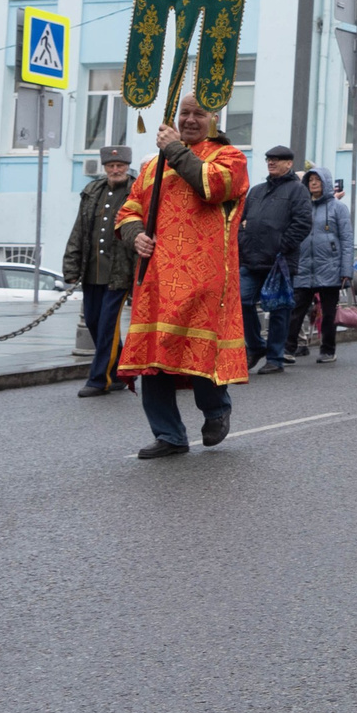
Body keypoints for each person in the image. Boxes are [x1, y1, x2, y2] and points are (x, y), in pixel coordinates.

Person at [118, 93, 249, 455]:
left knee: (197, 353)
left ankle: (216, 410)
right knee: (153, 359)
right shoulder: (152, 166)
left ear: (214, 119)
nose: (190, 120)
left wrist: (175, 150)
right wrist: (135, 234)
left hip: (204, 278)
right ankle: (169, 435)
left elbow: (212, 187)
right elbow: (129, 208)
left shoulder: (229, 157)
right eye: (184, 113)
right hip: (157, 277)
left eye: (199, 114)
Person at [63, 144, 137, 397]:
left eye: (120, 166)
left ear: (127, 167)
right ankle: (116, 372)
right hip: (93, 271)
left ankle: (99, 380)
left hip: (121, 272)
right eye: (111, 166)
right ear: (105, 167)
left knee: (107, 324)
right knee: (94, 322)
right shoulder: (92, 190)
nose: (115, 170)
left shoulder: (137, 190)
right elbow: (79, 230)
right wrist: (71, 266)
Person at [236, 145, 313, 375]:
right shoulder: (257, 191)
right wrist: (242, 240)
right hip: (251, 258)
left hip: (280, 260)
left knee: (279, 310)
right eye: (269, 159)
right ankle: (257, 345)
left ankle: (275, 357)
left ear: (289, 164)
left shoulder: (297, 190)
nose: (271, 162)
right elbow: (241, 220)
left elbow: (302, 224)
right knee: (241, 301)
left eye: (277, 160)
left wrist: (281, 246)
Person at [292, 167, 355, 364]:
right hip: (304, 267)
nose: (313, 183)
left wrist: (346, 271)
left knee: (328, 313)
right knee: (296, 311)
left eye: (317, 180)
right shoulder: (301, 206)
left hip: (330, 268)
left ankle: (328, 349)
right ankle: (287, 348)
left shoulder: (338, 208)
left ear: (326, 182)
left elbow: (346, 239)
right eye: (310, 180)